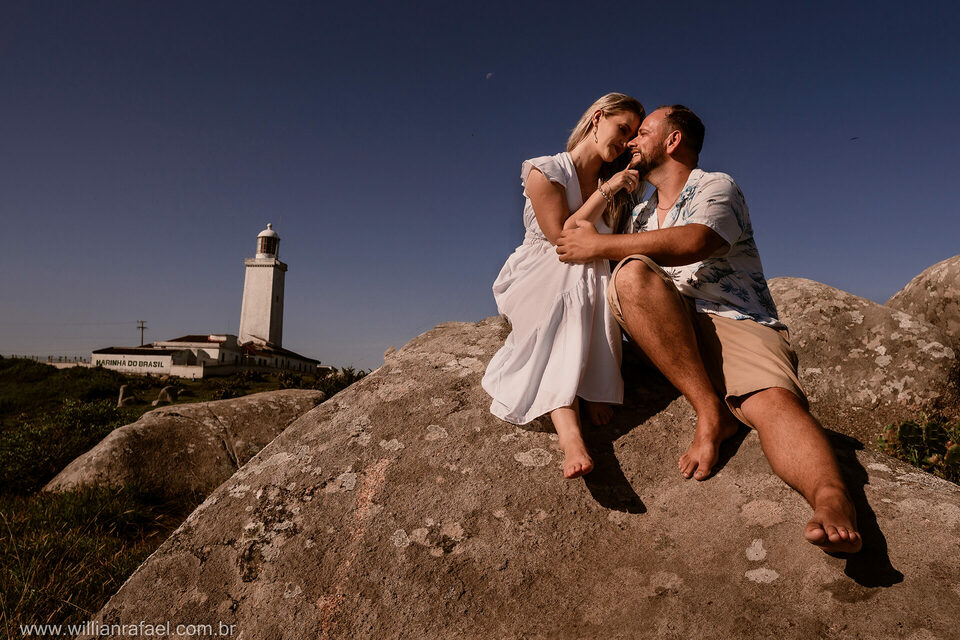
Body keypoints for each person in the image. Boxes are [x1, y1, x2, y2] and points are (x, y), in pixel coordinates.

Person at [556, 105, 862, 553]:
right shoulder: (638, 215)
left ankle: (831, 499)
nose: (632, 143)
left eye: (642, 133)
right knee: (631, 276)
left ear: (673, 140)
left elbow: (696, 240)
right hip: (661, 326)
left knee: (770, 403)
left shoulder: (716, 186)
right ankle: (710, 410)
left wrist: (601, 244)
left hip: (731, 320)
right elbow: (572, 237)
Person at [482, 93, 645, 480]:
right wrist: (609, 191)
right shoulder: (547, 169)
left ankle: (587, 383)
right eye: (622, 129)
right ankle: (570, 432)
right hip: (541, 270)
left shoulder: (614, 182)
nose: (624, 142)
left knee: (594, 269)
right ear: (598, 118)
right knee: (580, 262)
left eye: (632, 137)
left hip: (586, 275)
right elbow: (564, 238)